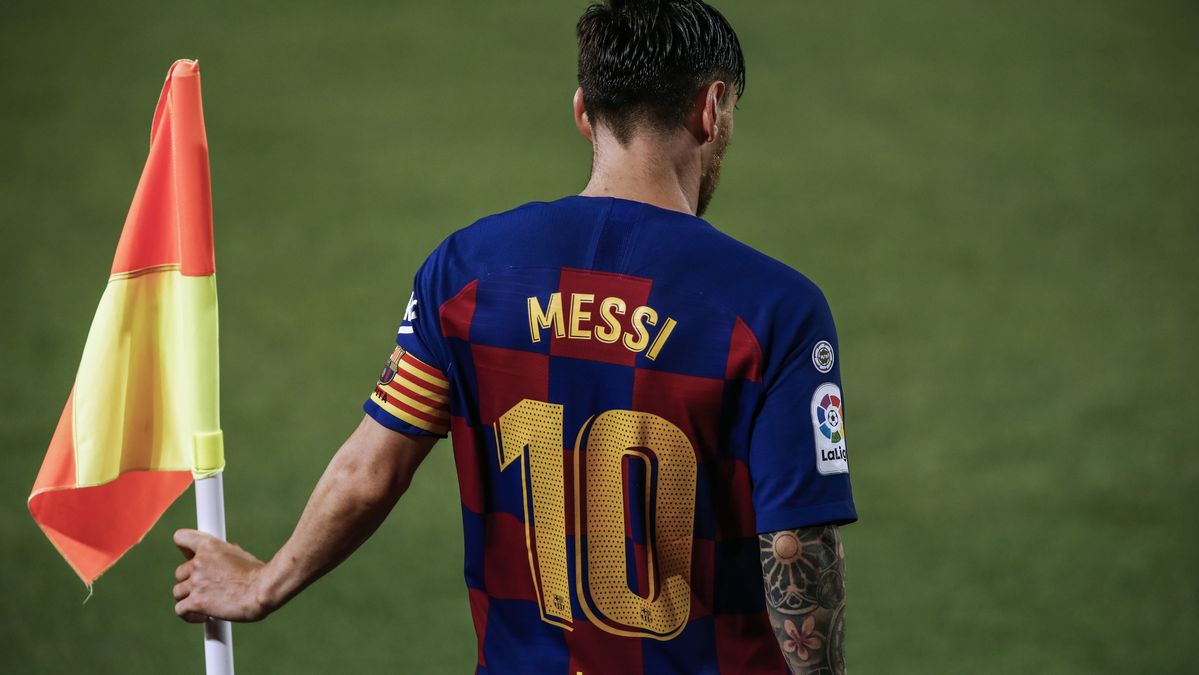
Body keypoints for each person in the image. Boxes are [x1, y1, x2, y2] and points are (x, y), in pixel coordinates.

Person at [171, 1, 856, 673]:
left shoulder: (469, 272)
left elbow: (369, 472)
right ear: (712, 109)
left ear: (583, 110)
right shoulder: (772, 309)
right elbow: (794, 546)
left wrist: (261, 583)